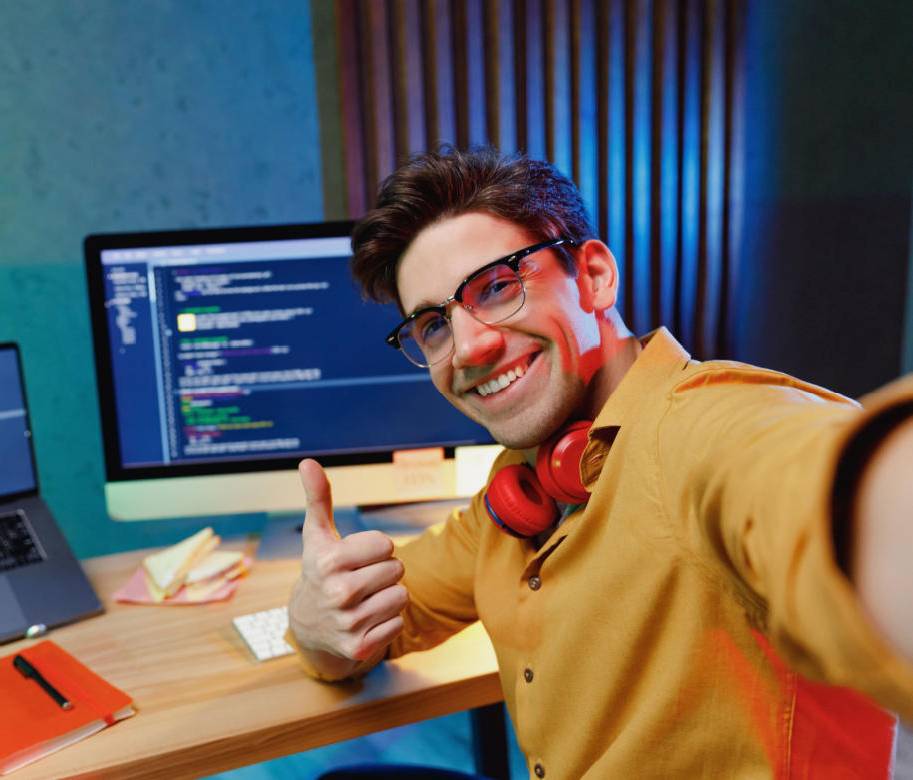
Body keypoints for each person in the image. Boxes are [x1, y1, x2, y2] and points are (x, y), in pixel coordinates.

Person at [286, 146, 913, 777]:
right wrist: (319, 624)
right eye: (433, 326)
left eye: (498, 286)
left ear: (594, 277)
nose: (468, 346)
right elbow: (372, 624)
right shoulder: (518, 489)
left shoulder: (699, 432)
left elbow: (819, 483)